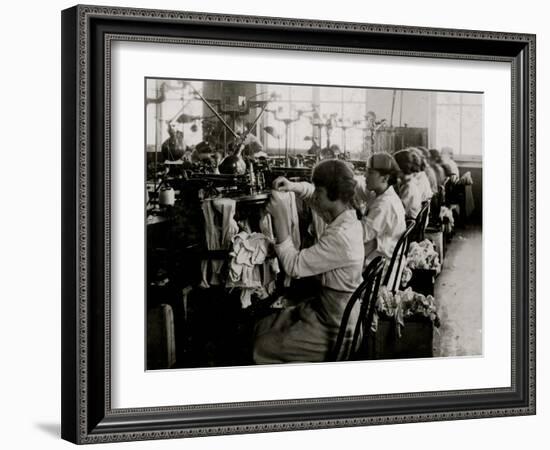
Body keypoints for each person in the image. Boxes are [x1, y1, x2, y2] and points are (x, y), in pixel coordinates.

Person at [253, 160, 365, 364]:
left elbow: (293, 266)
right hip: (330, 311)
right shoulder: (346, 217)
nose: (314, 196)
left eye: (318, 192)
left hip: (334, 328)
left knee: (261, 347)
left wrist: (280, 217)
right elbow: (314, 196)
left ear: (330, 194)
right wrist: (293, 186)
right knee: (263, 326)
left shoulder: (341, 236)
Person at [355, 153, 406, 267]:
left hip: (381, 266)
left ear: (385, 178)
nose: (365, 176)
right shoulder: (382, 193)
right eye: (366, 171)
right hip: (382, 256)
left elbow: (362, 235)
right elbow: (361, 188)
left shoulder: (384, 205)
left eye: (370, 173)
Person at [394, 149, 423, 219]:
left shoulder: (409, 187)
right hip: (410, 219)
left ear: (400, 169)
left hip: (409, 223)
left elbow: (398, 212)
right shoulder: (411, 181)